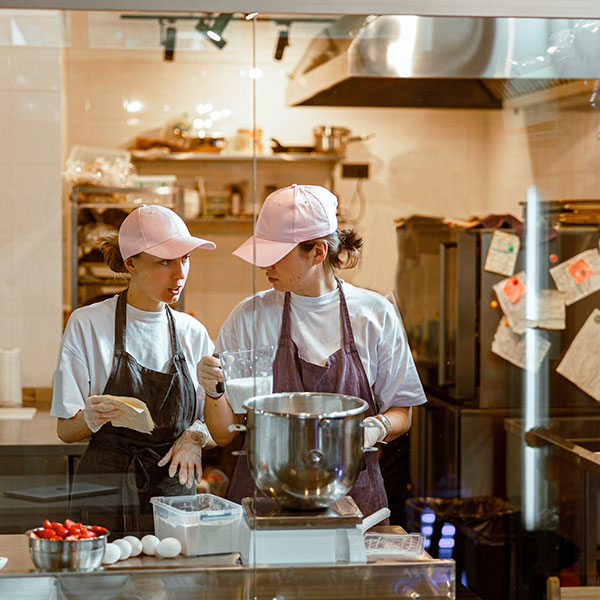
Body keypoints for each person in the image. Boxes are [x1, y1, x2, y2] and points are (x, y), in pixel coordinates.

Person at [199, 184, 427, 519]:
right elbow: (222, 432)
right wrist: (213, 390)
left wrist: (374, 428)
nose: (265, 266)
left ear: (318, 252)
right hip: (265, 496)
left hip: (351, 495)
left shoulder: (373, 315)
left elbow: (402, 412)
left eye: (277, 254)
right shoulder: (250, 316)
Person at [51, 205, 216, 536]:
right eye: (164, 262)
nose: (179, 273)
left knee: (172, 584)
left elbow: (213, 420)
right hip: (104, 490)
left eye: (185, 259)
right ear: (131, 263)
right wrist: (90, 418)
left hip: (173, 493)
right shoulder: (88, 324)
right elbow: (66, 431)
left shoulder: (191, 331)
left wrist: (195, 436)